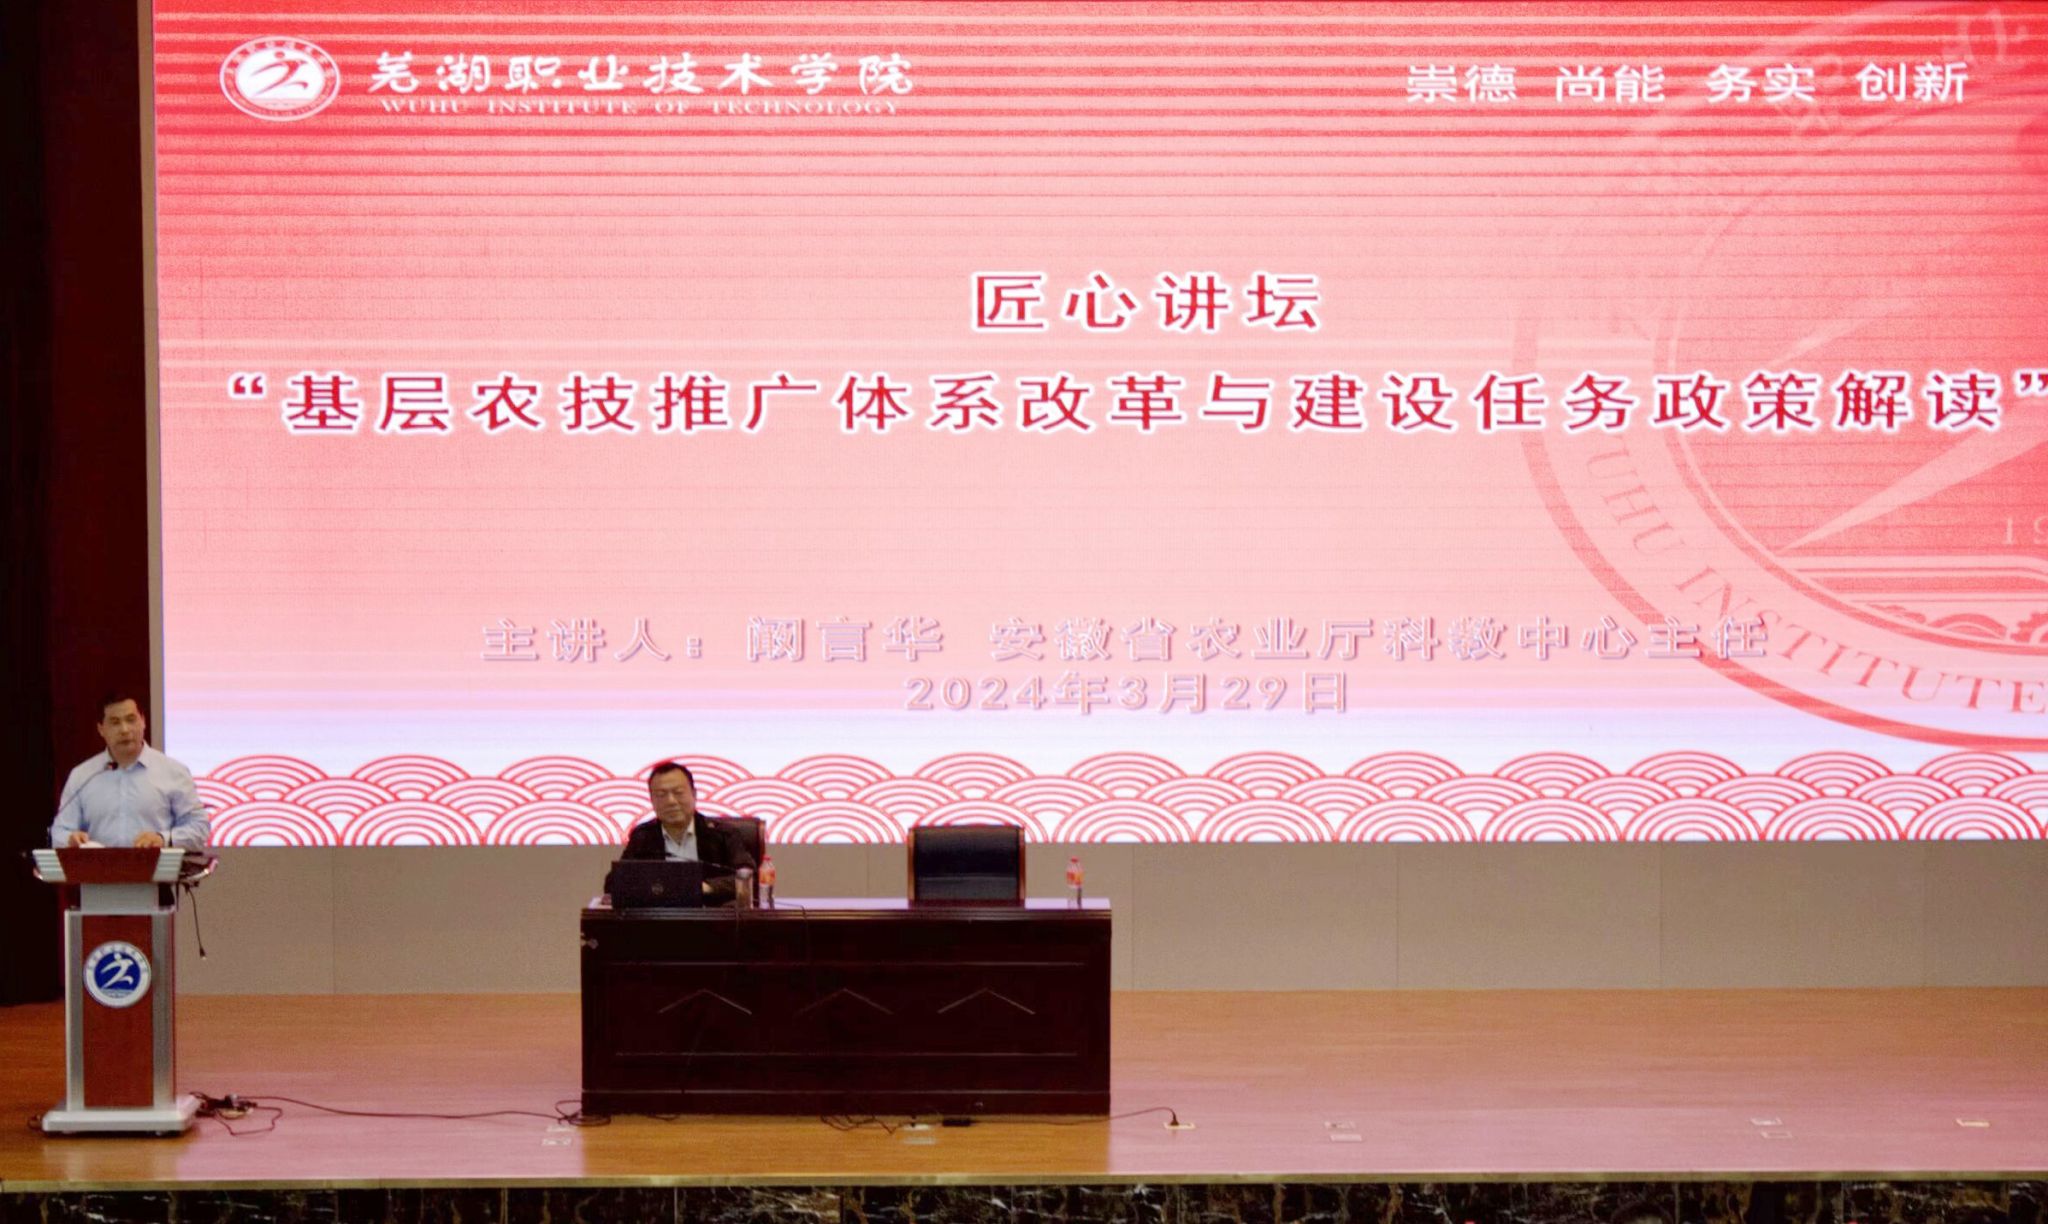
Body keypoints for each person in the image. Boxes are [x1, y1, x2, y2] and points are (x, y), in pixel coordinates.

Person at [50, 694, 210, 850]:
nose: (125, 730)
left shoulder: (173, 771)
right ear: (101, 729)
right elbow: (59, 832)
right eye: (115, 723)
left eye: (131, 720)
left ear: (143, 722)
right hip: (98, 868)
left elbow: (199, 828)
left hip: (157, 867)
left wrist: (163, 839)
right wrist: (70, 839)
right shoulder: (82, 775)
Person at [616, 760, 756, 900]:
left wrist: (704, 887)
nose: (671, 801)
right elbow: (614, 883)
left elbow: (749, 876)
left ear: (694, 795)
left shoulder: (722, 834)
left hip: (709, 911)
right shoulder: (643, 837)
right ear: (652, 800)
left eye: (678, 793)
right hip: (660, 912)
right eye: (661, 795)